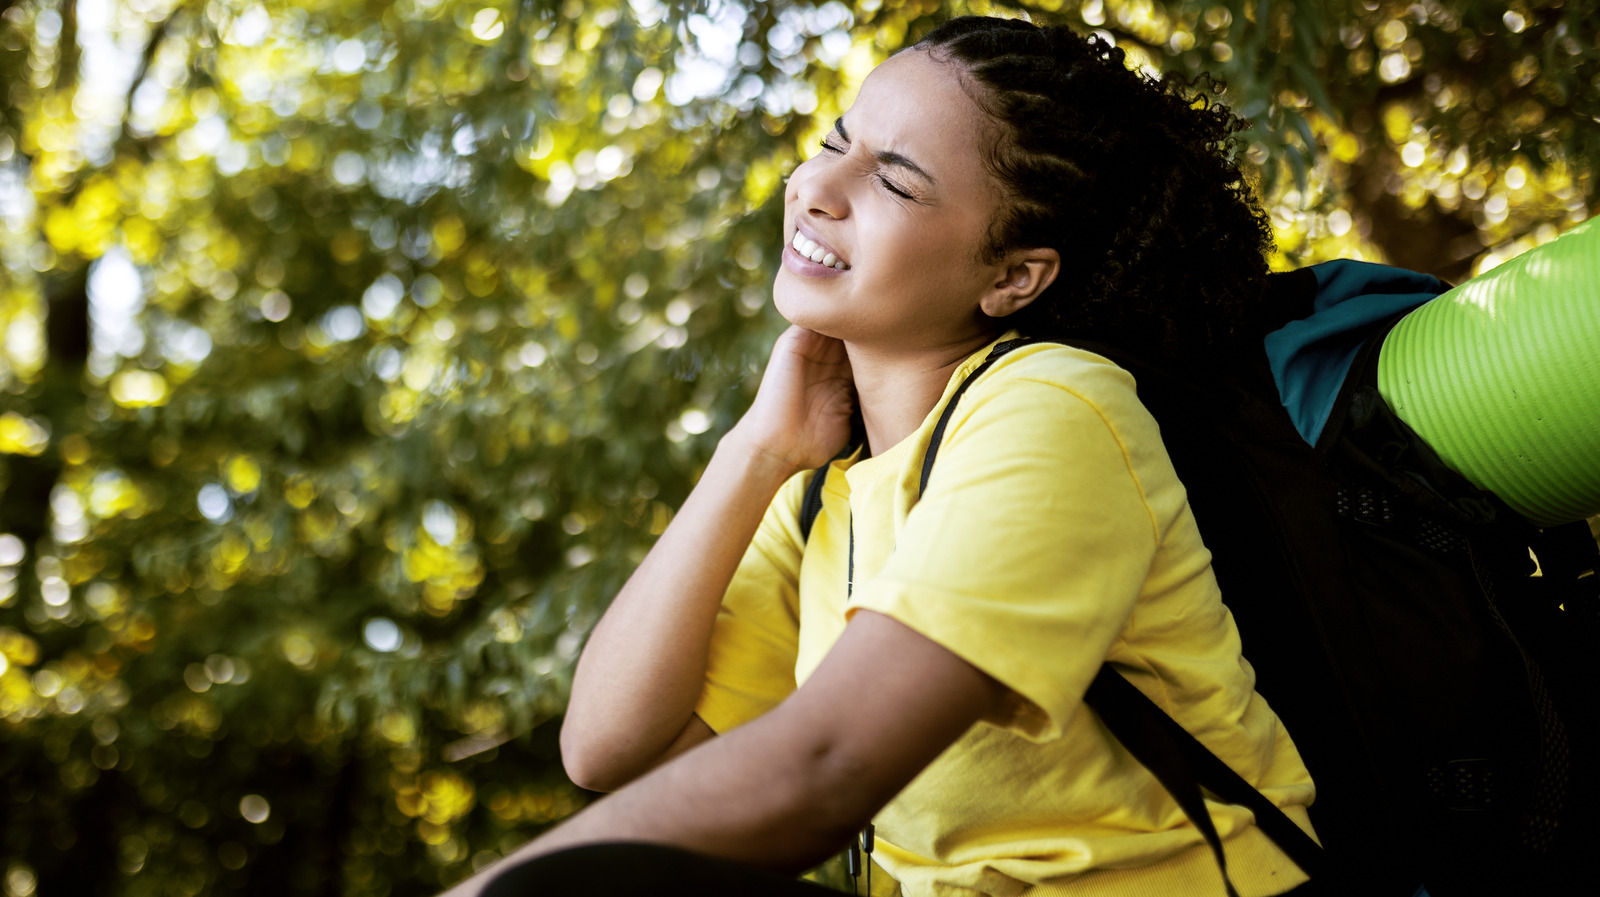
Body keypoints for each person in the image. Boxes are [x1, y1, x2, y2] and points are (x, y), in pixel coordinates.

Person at [445, 15, 1318, 897]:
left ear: (1014, 276)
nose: (820, 185)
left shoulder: (1056, 407)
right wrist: (751, 452)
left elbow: (824, 766)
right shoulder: (825, 493)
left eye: (895, 182)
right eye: (835, 140)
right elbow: (608, 747)